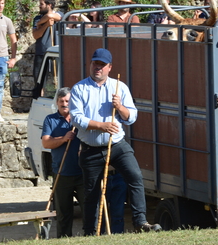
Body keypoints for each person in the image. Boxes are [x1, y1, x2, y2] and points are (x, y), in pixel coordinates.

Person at [69, 48, 162, 234]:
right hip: (91, 149)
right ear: (90, 64)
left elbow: (131, 117)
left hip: (117, 145)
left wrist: (119, 107)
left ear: (109, 68)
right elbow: (76, 118)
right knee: (91, 194)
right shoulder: (79, 88)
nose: (98, 68)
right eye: (95, 63)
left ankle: (140, 222)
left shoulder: (120, 87)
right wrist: (101, 126)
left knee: (135, 177)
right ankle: (90, 232)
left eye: (102, 65)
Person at [42, 87, 84, 237]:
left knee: (90, 210)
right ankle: (64, 241)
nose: (65, 104)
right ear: (57, 102)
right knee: (63, 214)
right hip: (61, 172)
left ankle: (91, 239)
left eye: (68, 101)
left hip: (82, 173)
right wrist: (64, 139)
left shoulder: (79, 118)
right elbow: (46, 143)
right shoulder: (50, 120)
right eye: (62, 101)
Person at [32, 0, 63, 90]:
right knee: (39, 83)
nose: (39, 6)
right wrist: (45, 25)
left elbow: (50, 15)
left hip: (56, 54)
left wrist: (40, 23)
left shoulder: (59, 14)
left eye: (41, 4)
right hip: (41, 54)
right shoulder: (37, 18)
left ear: (49, 5)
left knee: (58, 82)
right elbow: (36, 35)